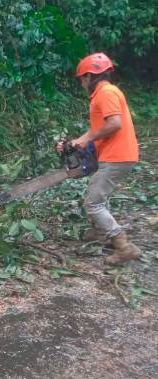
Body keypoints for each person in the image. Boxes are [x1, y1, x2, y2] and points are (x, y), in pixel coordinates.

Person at [57, 53, 142, 265]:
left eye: (82, 79)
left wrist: (88, 138)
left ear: (89, 77)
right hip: (116, 154)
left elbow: (114, 124)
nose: (82, 83)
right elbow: (100, 129)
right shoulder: (105, 93)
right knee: (99, 197)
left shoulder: (106, 93)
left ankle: (124, 247)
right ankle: (100, 231)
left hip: (117, 156)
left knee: (93, 202)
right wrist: (77, 142)